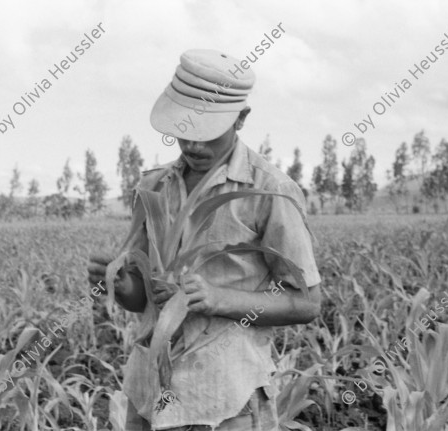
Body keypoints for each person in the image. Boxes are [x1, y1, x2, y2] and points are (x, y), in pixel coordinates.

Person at [87, 49, 322, 431]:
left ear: (241, 118)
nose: (193, 146)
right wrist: (120, 284)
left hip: (226, 399)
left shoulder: (269, 191)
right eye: (183, 131)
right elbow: (143, 302)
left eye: (205, 133)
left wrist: (218, 299)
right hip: (151, 395)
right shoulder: (153, 187)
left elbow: (307, 302)